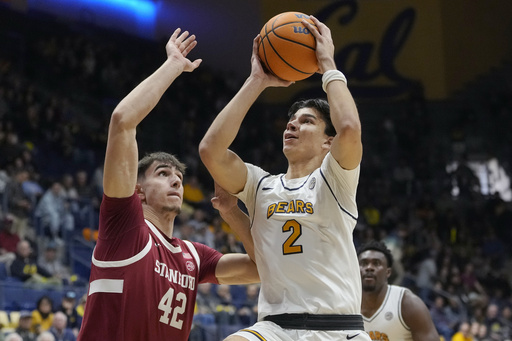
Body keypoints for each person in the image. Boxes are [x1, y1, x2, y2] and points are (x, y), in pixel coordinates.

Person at [77, 28, 258, 341]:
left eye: (179, 176)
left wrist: (232, 214)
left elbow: (261, 268)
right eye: (162, 173)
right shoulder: (125, 226)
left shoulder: (193, 255)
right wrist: (174, 65)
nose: (175, 179)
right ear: (138, 191)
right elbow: (122, 121)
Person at [199, 15, 370, 341]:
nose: (291, 125)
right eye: (290, 121)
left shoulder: (335, 180)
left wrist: (328, 64)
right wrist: (257, 81)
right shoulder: (261, 185)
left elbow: (349, 127)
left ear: (327, 142)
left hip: (338, 329)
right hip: (275, 328)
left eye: (306, 121)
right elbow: (211, 150)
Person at [357, 240, 440, 341]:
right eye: (364, 263)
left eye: (376, 263)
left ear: (388, 272)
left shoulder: (407, 303)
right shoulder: (347, 305)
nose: (369, 268)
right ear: (356, 268)